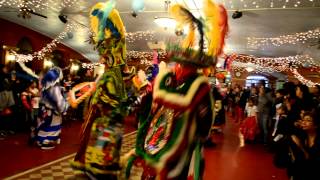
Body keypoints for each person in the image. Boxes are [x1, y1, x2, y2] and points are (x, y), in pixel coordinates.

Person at [124, 0, 228, 179]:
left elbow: (198, 117)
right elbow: (156, 104)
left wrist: (161, 80)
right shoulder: (179, 80)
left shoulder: (197, 84)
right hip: (162, 142)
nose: (179, 67)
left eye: (182, 64)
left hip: (178, 149)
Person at [70, 1, 128, 178]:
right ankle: (100, 167)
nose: (101, 60)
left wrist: (95, 105)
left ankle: (95, 168)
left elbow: (104, 102)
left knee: (98, 142)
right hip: (111, 123)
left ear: (109, 59)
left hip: (103, 123)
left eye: (104, 57)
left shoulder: (110, 76)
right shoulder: (115, 77)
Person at [35, 67, 68, 149]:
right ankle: (45, 142)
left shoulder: (46, 84)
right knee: (51, 126)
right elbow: (58, 101)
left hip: (44, 109)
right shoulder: (54, 86)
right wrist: (65, 107)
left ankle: (40, 140)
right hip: (52, 110)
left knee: (44, 124)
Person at [288, 112, 320, 180]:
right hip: (300, 173)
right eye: (303, 120)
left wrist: (301, 147)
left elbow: (310, 160)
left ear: (316, 125)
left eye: (308, 120)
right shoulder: (301, 135)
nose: (303, 122)